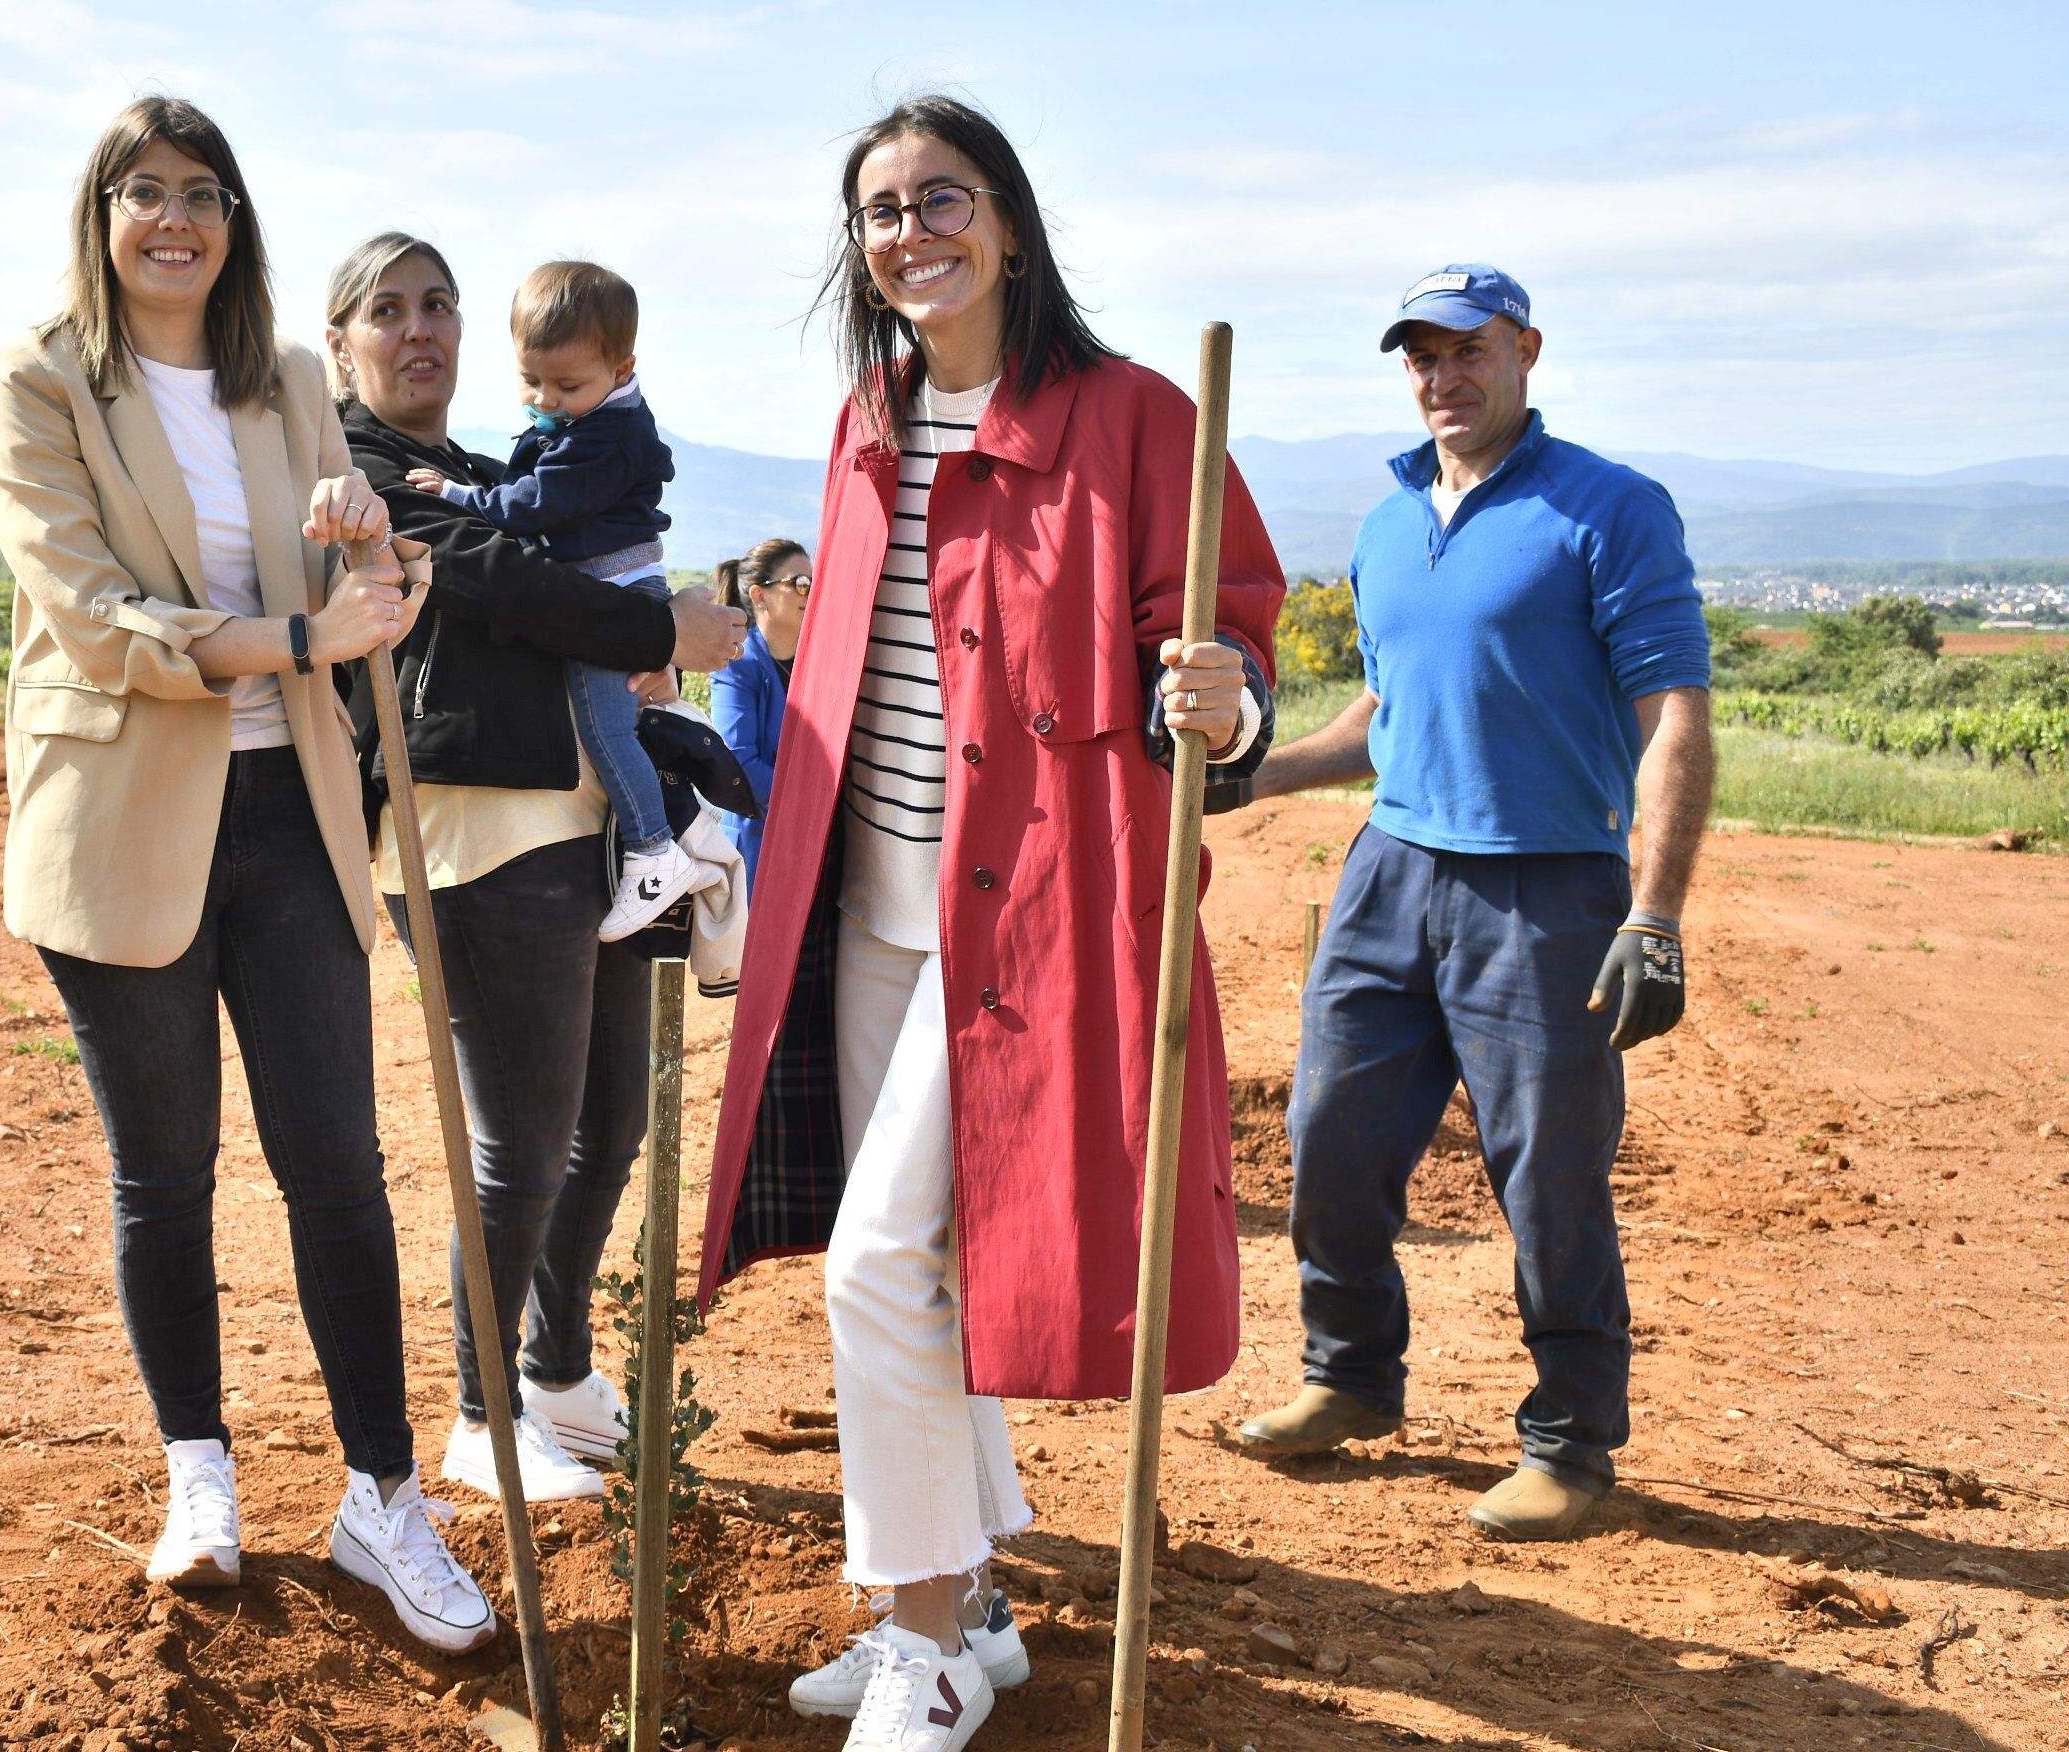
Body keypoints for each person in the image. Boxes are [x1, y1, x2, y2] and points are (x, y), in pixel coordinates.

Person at [693, 97, 1285, 1752]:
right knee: (918, 1267)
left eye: (935, 199)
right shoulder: (864, 421)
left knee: (879, 1267)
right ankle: (973, 1610)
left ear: (1006, 221)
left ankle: (926, 1641)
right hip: (864, 911)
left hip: (1021, 931)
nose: (905, 234)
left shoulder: (1137, 423)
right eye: (875, 212)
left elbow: (1223, 661)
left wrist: (1220, 702)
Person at [0, 98, 493, 1654]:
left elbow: (369, 587)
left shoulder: (286, 381)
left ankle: (380, 1496)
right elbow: (90, 614)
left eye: (204, 192)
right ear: (105, 212)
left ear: (235, 218)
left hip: (292, 814)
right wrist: (293, 639)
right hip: (125, 819)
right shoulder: (41, 381)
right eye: (147, 193)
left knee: (336, 1162)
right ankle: (197, 1475)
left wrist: (361, 546)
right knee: (166, 1171)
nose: (176, 219)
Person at [1235, 265, 1715, 1543]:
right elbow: (1382, 720)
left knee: (1549, 1173)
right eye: (1421, 357)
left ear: (1526, 351)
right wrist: (1249, 778)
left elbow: (1675, 719)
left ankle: (1570, 1439)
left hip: (1549, 884)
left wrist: (1653, 914)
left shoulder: (1608, 507)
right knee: (1329, 1136)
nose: (1443, 377)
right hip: (1391, 872)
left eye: (1468, 352)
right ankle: (1349, 1375)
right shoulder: (1389, 520)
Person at [323, 232, 750, 1504]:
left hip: (582, 828)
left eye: (439, 305)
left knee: (608, 1118)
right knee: (518, 1144)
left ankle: (557, 1365)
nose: (420, 331)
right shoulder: (361, 473)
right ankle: (480, 1411)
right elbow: (501, 580)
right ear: (342, 340)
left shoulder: (487, 461)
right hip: (472, 836)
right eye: (387, 311)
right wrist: (661, 623)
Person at [405, 260, 709, 941]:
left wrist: (459, 497)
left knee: (606, 729)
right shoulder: (596, 418)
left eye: (567, 385)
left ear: (623, 366)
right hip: (617, 586)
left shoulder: (602, 438)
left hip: (615, 589)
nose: (546, 397)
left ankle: (655, 852)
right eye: (531, 379)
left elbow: (535, 504)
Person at [708, 538, 810, 889]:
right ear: (759, 594)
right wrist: (810, 799)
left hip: (814, 847)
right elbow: (738, 761)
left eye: (813, 583)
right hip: (757, 847)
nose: (808, 593)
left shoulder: (818, 664)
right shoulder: (737, 664)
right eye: (798, 583)